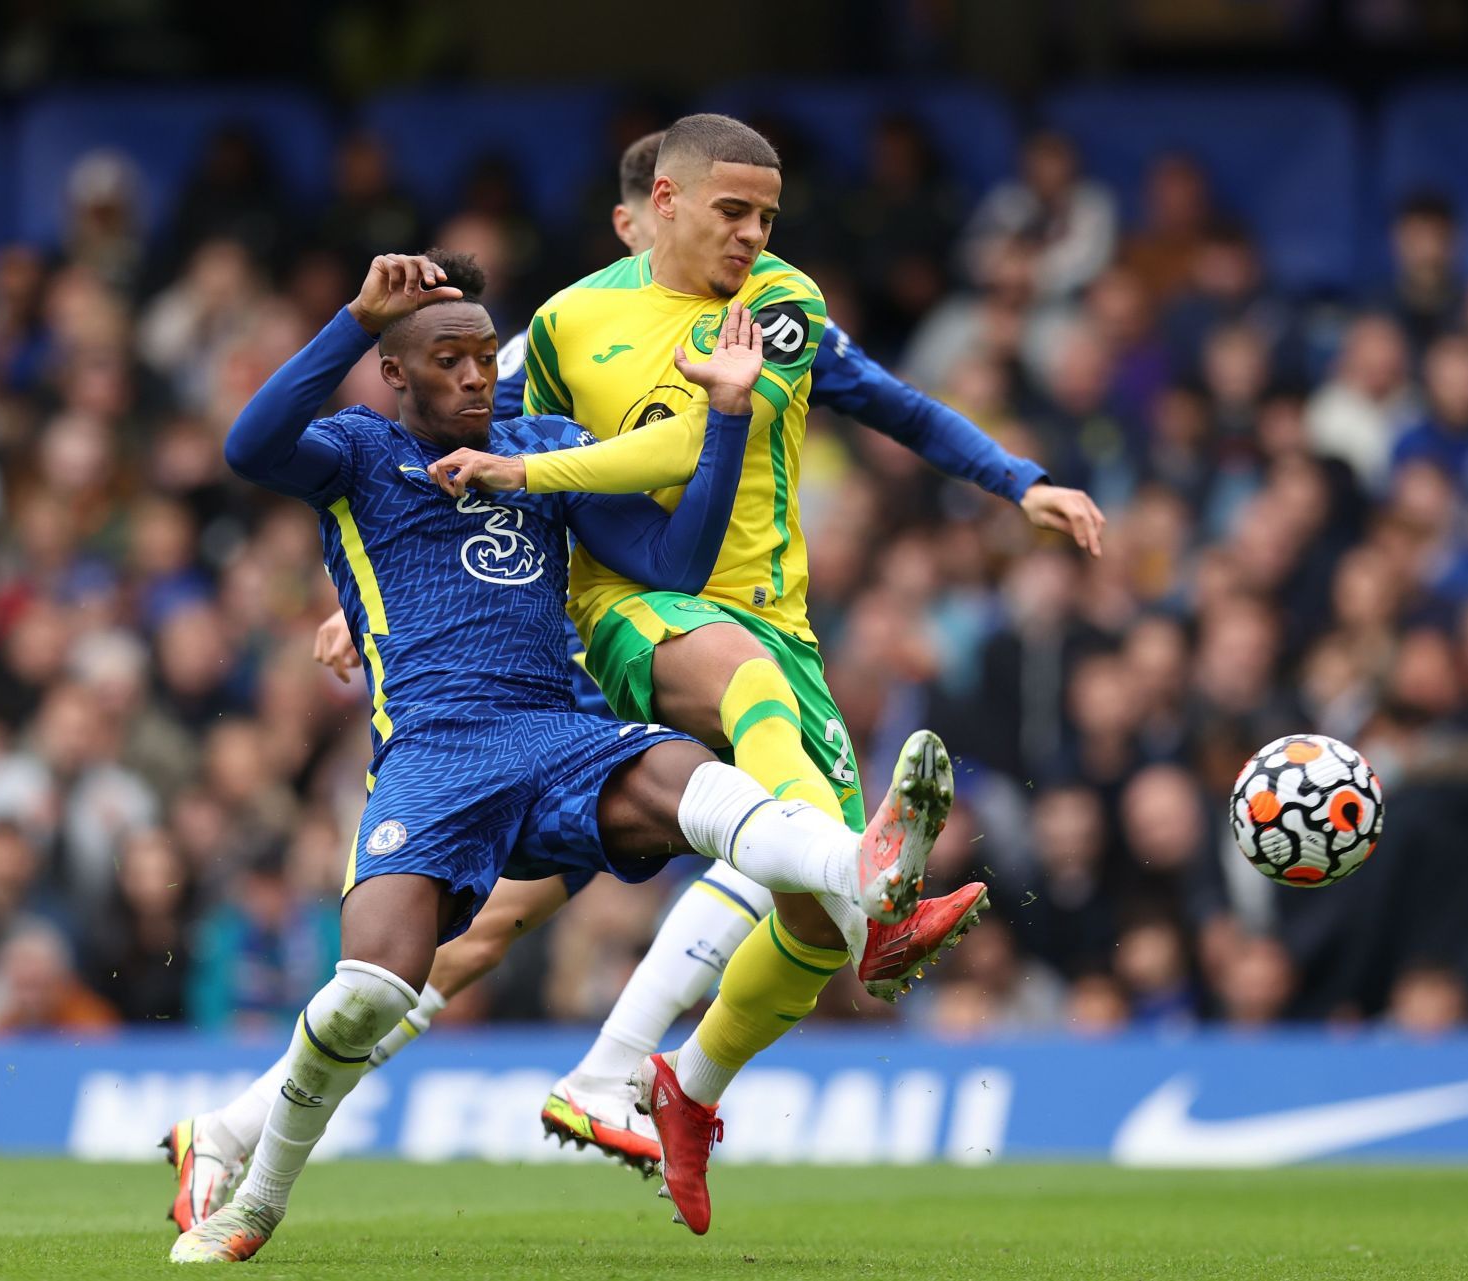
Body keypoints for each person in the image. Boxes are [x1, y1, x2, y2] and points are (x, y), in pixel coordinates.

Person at [295, 124, 1100, 1177]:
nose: (754, 235)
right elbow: (477, 470)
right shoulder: (568, 324)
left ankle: (682, 1083)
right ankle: (632, 1042)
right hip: (629, 605)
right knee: (747, 714)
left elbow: (884, 407)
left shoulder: (778, 306)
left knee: (797, 924)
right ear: (660, 205)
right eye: (735, 213)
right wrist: (369, 605)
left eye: (768, 217)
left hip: (773, 617)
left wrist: (1016, 479)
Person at [168, 251, 950, 1261]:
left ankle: (863, 867)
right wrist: (355, 320)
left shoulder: (545, 451)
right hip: (435, 755)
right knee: (368, 992)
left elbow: (676, 563)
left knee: (692, 780)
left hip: (555, 732)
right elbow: (248, 444)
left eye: (487, 356)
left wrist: (723, 420)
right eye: (448, 360)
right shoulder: (358, 454)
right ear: (397, 374)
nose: (475, 377)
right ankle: (257, 1197)